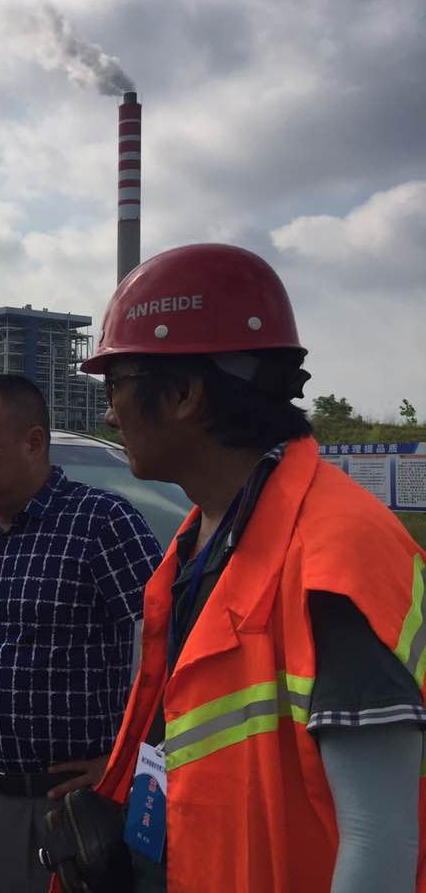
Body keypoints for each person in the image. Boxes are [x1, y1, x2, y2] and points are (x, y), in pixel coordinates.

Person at [70, 243, 426, 893]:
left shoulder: (333, 555)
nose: (108, 412)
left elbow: (381, 839)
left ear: (183, 394)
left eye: (115, 384)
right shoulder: (208, 533)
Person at [0, 373, 163, 893]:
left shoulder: (101, 523)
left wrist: (127, 762)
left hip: (61, 807)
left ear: (33, 441)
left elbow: (171, 642)